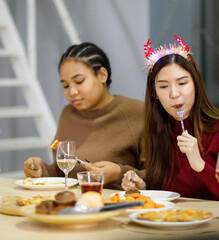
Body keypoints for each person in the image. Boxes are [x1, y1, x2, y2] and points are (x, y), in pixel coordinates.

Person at [121, 36, 219, 202]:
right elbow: (170, 195)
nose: (174, 94)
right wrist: (144, 189)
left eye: (182, 83)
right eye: (163, 86)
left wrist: (201, 166)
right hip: (171, 223)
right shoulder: (160, 131)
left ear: (196, 85)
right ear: (154, 93)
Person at [23, 42, 145, 189]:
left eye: (79, 82)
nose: (72, 92)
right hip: (74, 206)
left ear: (102, 75)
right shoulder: (68, 114)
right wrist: (40, 170)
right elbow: (62, 173)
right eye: (65, 86)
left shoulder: (136, 112)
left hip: (120, 206)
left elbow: (157, 176)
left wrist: (119, 173)